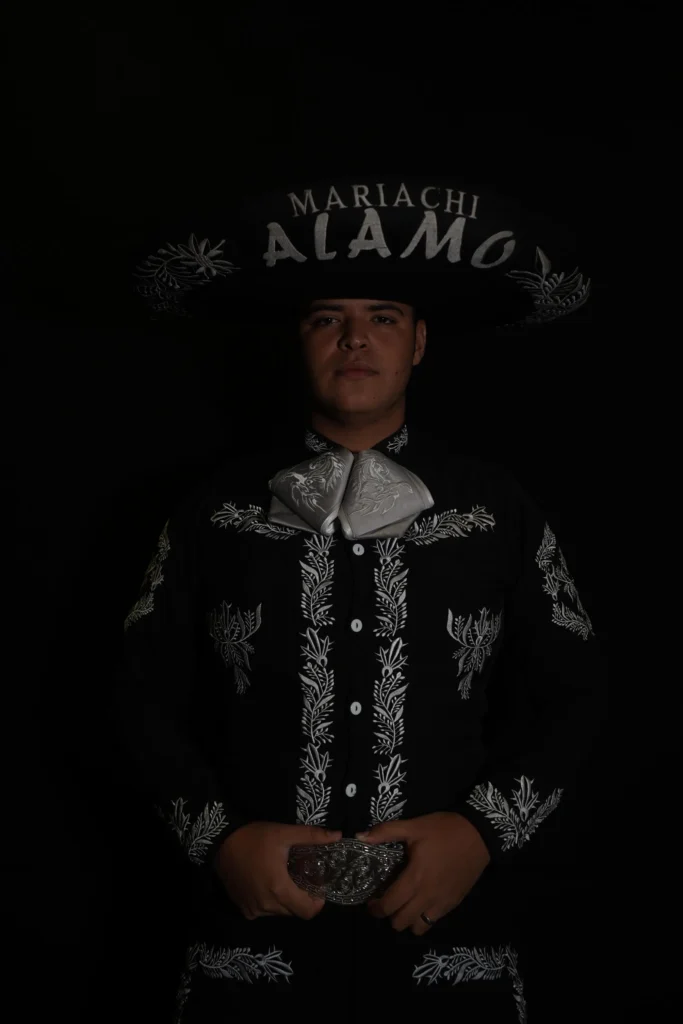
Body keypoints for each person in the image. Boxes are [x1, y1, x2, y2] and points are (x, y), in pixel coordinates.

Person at [111, 176, 605, 1019]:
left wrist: (481, 833)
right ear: (298, 341)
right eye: (325, 319)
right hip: (252, 937)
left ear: (418, 342)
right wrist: (219, 840)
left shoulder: (498, 508)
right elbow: (135, 692)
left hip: (445, 932)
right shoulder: (211, 509)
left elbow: (576, 692)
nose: (354, 339)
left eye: (382, 317)